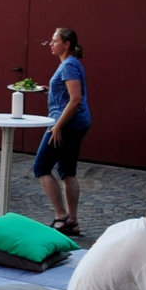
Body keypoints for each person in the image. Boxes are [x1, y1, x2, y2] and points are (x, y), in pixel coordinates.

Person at [34, 27, 92, 236]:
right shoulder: (71, 65)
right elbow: (69, 96)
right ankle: (73, 222)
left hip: (65, 124)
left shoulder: (68, 65)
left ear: (66, 44)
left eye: (54, 40)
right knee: (68, 171)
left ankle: (62, 217)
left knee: (41, 167)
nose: (50, 44)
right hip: (75, 123)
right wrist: (49, 92)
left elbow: (75, 100)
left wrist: (57, 127)